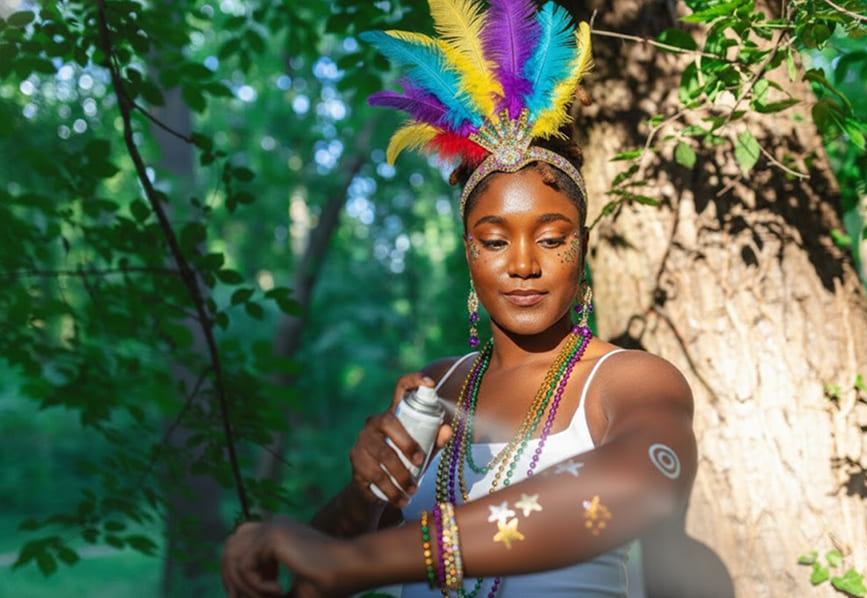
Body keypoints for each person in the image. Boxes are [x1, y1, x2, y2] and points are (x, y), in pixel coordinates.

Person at [221, 1, 697, 596]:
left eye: (552, 239)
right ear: (468, 253)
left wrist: (368, 559)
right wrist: (367, 491)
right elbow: (322, 568)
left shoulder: (628, 380)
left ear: (582, 248)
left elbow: (641, 482)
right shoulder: (438, 387)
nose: (523, 265)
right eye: (494, 241)